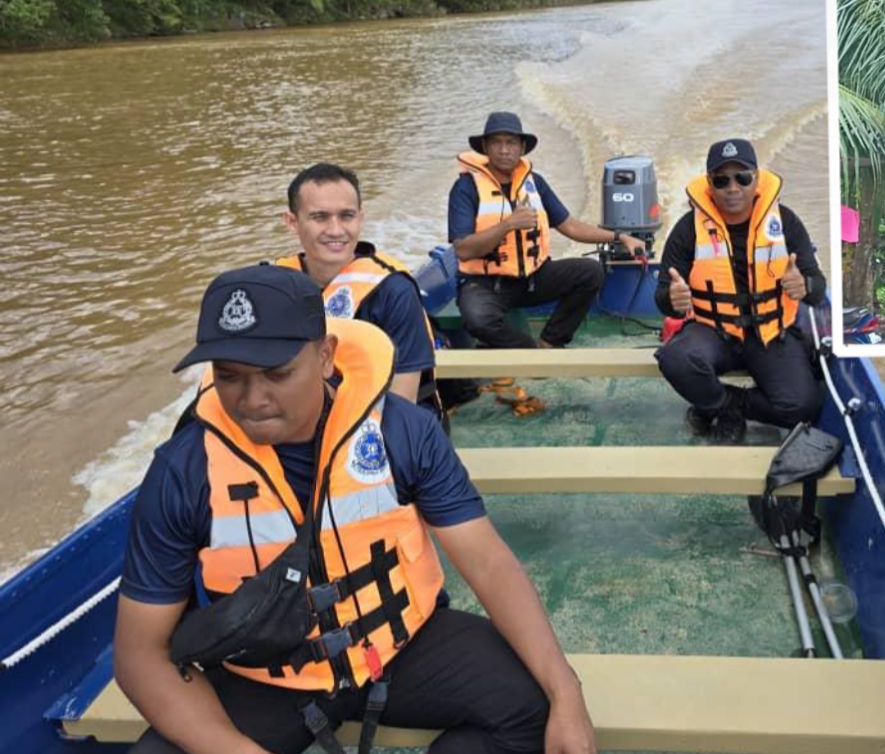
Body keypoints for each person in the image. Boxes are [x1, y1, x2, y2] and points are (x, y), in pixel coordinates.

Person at [113, 265, 595, 754]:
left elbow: (489, 563)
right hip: (264, 672)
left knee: (537, 709)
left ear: (325, 356)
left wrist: (566, 689)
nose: (252, 400)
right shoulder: (183, 469)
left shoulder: (401, 432)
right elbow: (139, 653)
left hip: (401, 644)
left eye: (277, 373)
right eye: (229, 376)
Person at [654, 139, 826, 443]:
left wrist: (805, 286)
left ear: (756, 179)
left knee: (803, 406)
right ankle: (721, 408)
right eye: (722, 180)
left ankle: (721, 408)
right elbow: (664, 295)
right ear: (709, 185)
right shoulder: (687, 229)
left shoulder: (785, 222)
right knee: (675, 359)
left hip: (771, 332)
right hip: (713, 332)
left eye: (742, 177)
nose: (732, 187)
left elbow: (816, 288)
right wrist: (673, 299)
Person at [447, 111, 646, 348]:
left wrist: (619, 236)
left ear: (521, 148)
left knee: (590, 272)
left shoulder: (535, 183)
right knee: (478, 320)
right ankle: (530, 351)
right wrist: (508, 225)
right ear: (485, 148)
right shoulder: (465, 188)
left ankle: (550, 341)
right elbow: (463, 250)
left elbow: (570, 226)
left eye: (510, 143)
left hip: (533, 279)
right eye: (496, 142)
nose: (503, 150)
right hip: (486, 283)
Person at [276, 163, 441, 407]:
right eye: (319, 217)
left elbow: (402, 402)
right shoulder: (273, 287)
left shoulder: (393, 291)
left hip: (379, 426)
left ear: (360, 218)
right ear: (292, 222)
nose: (335, 230)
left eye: (347, 216)